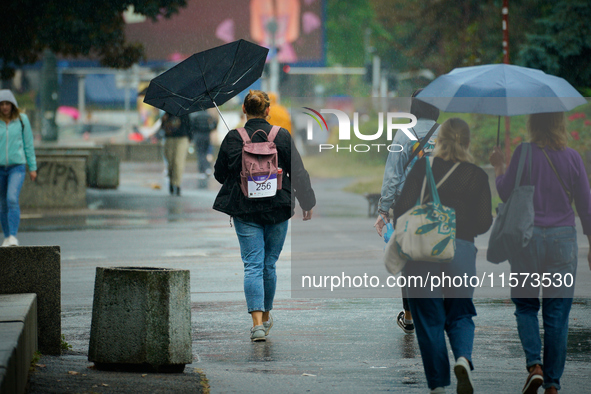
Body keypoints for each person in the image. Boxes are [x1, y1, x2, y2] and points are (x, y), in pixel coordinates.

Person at [489, 112, 591, 394]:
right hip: (563, 241)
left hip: (527, 238)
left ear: (534, 123)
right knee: (558, 314)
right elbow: (586, 205)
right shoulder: (572, 158)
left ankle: (534, 365)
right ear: (561, 123)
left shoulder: (523, 153)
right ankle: (552, 385)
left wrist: (499, 166)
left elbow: (505, 193)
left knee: (525, 305)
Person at [394, 118, 492, 393]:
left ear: (441, 140)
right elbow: (485, 222)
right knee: (460, 313)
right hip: (460, 250)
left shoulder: (423, 169)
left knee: (428, 318)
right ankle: (462, 358)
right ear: (468, 142)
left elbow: (401, 210)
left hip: (423, 253)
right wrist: (458, 226)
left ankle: (437, 385)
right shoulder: (476, 174)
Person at [213, 90, 315, 342]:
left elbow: (219, 174)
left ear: (244, 111)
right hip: (277, 208)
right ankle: (267, 316)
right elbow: (298, 172)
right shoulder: (281, 136)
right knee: (269, 264)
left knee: (253, 265)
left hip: (244, 209)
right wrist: (307, 202)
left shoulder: (233, 137)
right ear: (268, 110)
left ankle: (257, 324)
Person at [375, 88, 440, 334]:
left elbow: (392, 176)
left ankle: (411, 315)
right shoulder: (446, 134)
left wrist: (383, 210)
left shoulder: (404, 134)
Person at [0, 89, 37, 246]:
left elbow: (28, 144)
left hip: (17, 167)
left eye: (8, 103)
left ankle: (13, 236)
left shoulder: (22, 120)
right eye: (2, 104)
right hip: (0, 168)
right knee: (2, 203)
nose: (5, 107)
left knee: (12, 198)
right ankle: (7, 236)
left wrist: (32, 167)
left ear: (13, 104)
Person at [161, 112, 191, 196]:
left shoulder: (185, 111)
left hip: (182, 138)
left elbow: (189, 125)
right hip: (169, 138)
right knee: (170, 162)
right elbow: (162, 127)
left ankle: (177, 184)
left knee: (178, 162)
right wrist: (163, 120)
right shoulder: (167, 112)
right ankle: (171, 181)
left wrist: (190, 138)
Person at [189, 109, 218, 179]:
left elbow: (191, 126)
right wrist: (209, 129)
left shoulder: (195, 116)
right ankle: (207, 167)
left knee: (200, 152)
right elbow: (214, 124)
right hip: (206, 136)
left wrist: (192, 135)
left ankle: (202, 169)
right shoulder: (209, 116)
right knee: (206, 152)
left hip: (198, 136)